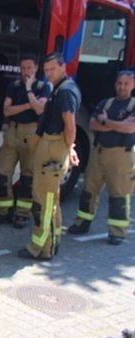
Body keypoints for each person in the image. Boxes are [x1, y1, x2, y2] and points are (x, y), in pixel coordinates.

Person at [18, 52, 81, 261]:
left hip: (53, 147)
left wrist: (69, 148)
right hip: (52, 145)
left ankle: (39, 248)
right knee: (51, 200)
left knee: (43, 203)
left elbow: (70, 126)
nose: (49, 73)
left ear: (63, 67)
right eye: (46, 70)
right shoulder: (61, 89)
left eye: (52, 69)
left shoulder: (65, 92)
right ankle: (52, 243)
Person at [67, 70, 135, 246]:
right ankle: (82, 223)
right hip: (99, 152)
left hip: (122, 155)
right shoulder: (106, 103)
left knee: (119, 194)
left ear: (133, 85)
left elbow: (130, 128)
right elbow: (92, 124)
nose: (122, 87)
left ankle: (117, 232)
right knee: (89, 190)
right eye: (119, 83)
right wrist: (118, 124)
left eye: (126, 84)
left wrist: (106, 122)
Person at [0, 55, 50, 229]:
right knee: (2, 174)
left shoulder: (43, 87)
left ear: (36, 68)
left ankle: (22, 214)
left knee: (28, 177)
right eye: (23, 68)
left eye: (29, 68)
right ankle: (4, 211)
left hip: (31, 133)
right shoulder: (14, 86)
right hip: (12, 132)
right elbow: (6, 110)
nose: (25, 72)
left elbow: (39, 109)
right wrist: (27, 105)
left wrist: (29, 90)